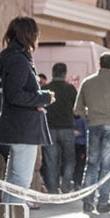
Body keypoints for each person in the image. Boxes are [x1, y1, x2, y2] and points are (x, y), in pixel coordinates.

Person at [0, 16, 52, 188]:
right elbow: (16, 95)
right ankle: (13, 215)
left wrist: (40, 97)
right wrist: (44, 98)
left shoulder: (14, 57)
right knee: (20, 182)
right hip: (23, 128)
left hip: (18, 126)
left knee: (14, 180)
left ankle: (9, 215)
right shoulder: (18, 59)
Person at [75, 53, 110, 217]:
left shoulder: (88, 82)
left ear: (99, 64)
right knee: (107, 166)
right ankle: (103, 202)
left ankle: (87, 202)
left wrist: (88, 118)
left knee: (91, 164)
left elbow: (78, 108)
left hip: (93, 125)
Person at [42, 62, 79, 193]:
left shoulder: (46, 88)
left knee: (51, 161)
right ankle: (66, 185)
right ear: (65, 74)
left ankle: (52, 190)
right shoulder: (70, 89)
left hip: (49, 129)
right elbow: (77, 109)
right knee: (69, 159)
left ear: (52, 73)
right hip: (67, 128)